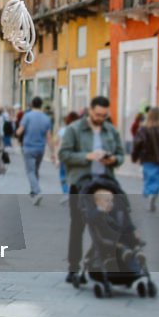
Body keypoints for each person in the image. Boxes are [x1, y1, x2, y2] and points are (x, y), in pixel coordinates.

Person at [57, 96, 124, 285]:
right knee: (77, 226)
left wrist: (113, 160)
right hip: (81, 185)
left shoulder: (111, 131)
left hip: (105, 185)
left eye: (104, 115)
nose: (101, 118)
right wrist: (87, 156)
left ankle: (100, 264)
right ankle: (73, 267)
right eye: (97, 114)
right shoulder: (74, 129)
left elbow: (120, 154)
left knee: (107, 226)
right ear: (90, 110)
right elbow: (64, 154)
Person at [131, 106, 159, 212]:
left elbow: (137, 144)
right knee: (158, 178)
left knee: (148, 177)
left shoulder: (143, 129)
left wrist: (134, 156)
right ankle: (154, 193)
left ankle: (148, 192)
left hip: (146, 157)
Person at [17, 96, 53, 205]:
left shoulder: (27, 116)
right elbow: (49, 137)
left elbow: (19, 131)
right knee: (35, 170)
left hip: (28, 147)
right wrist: (53, 152)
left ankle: (37, 191)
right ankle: (33, 192)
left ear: (32, 104)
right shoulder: (46, 118)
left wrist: (17, 135)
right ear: (41, 105)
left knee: (30, 171)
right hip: (40, 148)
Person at [54, 111, 80, 203]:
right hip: (76, 157)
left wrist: (57, 158)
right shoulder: (80, 131)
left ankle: (66, 193)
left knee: (63, 176)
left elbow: (58, 144)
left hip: (65, 157)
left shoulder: (63, 130)